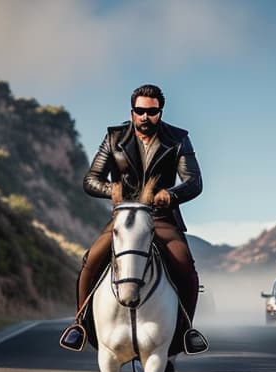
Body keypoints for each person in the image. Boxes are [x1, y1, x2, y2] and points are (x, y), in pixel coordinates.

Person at [60, 84, 207, 354]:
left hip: (160, 218)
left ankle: (187, 330)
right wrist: (110, 190)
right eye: (140, 111)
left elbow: (194, 182)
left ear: (160, 113)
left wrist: (170, 195)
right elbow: (91, 180)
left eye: (152, 112)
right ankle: (79, 324)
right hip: (124, 217)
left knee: (185, 265)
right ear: (132, 111)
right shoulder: (113, 138)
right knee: (91, 260)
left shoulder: (179, 139)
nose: (145, 117)